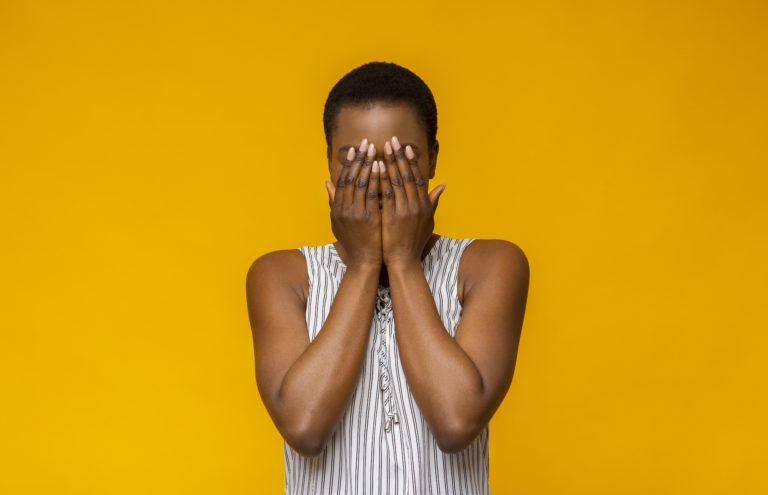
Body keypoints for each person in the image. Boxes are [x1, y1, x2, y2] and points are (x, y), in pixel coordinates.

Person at [246, 61, 529, 494]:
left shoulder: (489, 266)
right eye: (356, 162)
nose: (378, 180)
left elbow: (456, 422)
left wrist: (401, 259)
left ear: (433, 156)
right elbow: (304, 427)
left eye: (401, 160)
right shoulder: (281, 276)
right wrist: (362, 264)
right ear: (329, 162)